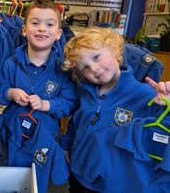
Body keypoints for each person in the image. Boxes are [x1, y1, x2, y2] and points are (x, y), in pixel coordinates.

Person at [60, 26, 170, 193]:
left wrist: (167, 106)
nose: (94, 69)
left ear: (114, 49)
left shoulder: (145, 94)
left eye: (96, 57)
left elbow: (162, 132)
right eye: (85, 68)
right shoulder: (87, 93)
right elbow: (77, 122)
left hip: (113, 183)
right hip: (79, 175)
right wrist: (66, 146)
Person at [0, 0, 78, 137]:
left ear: (59, 33)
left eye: (49, 24)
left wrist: (45, 104)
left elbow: (70, 103)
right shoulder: (10, 64)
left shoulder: (64, 69)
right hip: (11, 133)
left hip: (45, 137)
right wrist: (11, 93)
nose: (42, 28)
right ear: (24, 30)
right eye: (35, 23)